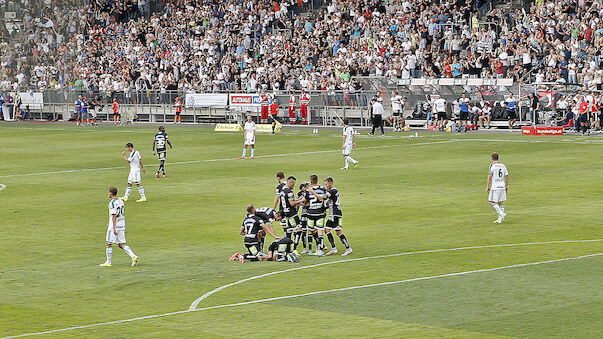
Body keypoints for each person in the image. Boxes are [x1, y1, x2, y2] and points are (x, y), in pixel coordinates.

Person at [308, 177, 353, 256]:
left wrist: (312, 191)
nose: (325, 186)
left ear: (330, 183)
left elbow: (321, 197)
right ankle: (333, 248)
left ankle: (348, 248)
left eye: (326, 184)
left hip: (336, 214)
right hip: (332, 214)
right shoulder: (332, 191)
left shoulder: (333, 191)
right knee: (326, 230)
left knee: (338, 232)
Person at [99, 186, 139, 267]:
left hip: (115, 225)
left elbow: (114, 216)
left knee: (108, 243)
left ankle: (108, 262)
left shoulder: (112, 203)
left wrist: (113, 228)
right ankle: (133, 256)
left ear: (111, 193)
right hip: (122, 224)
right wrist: (109, 223)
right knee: (121, 244)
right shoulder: (121, 201)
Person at [302, 174, 327, 256]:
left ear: (311, 181)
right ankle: (320, 250)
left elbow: (305, 202)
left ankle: (310, 250)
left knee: (310, 231)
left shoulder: (308, 191)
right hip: (320, 213)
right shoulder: (323, 189)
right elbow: (325, 198)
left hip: (311, 213)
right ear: (317, 180)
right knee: (320, 231)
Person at [487, 152, 508, 224]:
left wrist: (487, 186)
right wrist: (506, 186)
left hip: (495, 186)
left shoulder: (492, 165)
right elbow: (507, 176)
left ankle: (501, 214)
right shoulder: (503, 165)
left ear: (492, 158)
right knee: (500, 202)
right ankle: (500, 220)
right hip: (502, 185)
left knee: (491, 201)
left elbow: (490, 176)